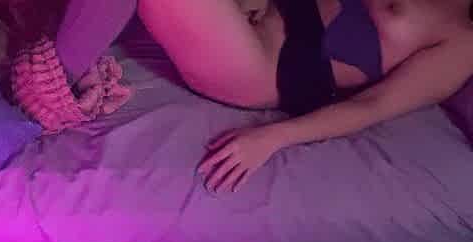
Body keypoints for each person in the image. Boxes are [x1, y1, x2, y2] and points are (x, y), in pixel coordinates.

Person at [135, 0, 473, 193]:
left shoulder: (462, 43)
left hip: (267, 65)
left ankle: (91, 69)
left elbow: (372, 106)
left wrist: (272, 137)